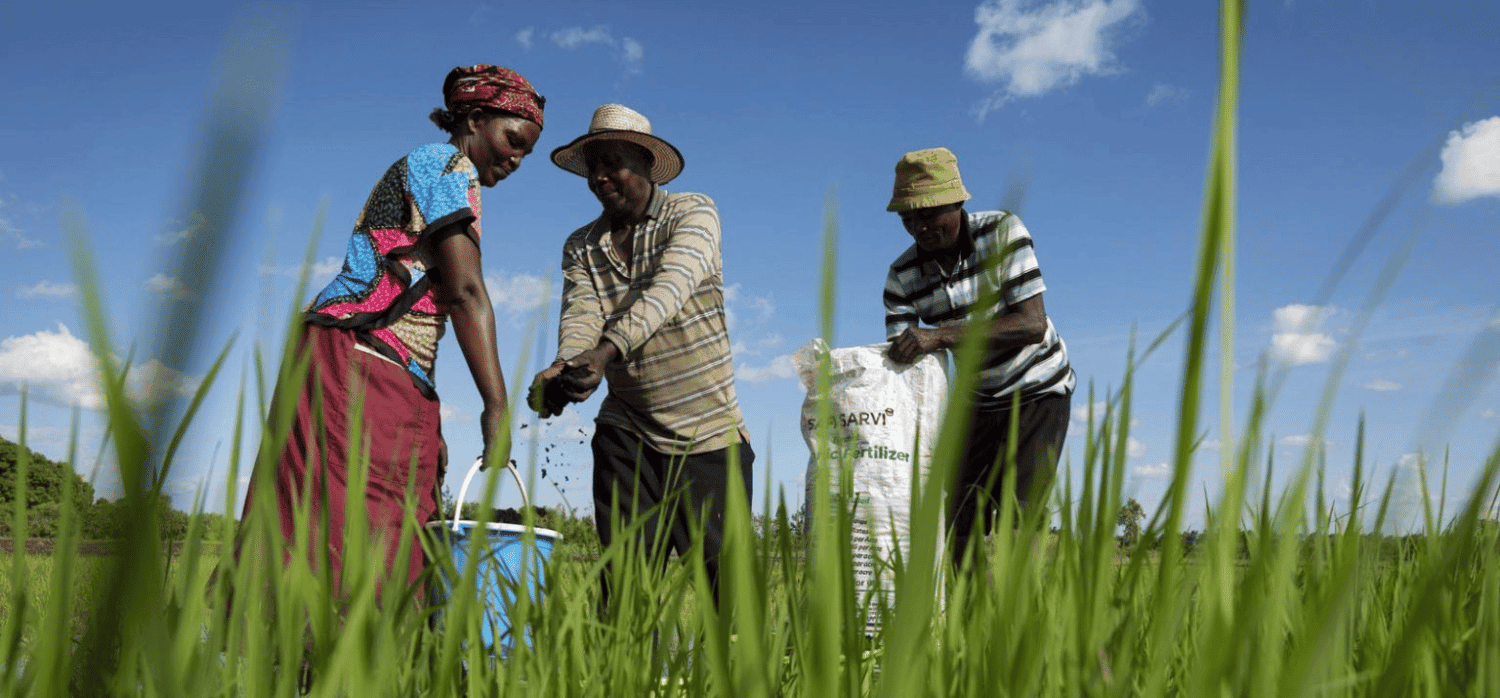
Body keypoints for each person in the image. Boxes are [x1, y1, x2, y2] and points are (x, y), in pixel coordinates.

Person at [241, 65, 545, 595]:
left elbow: (425, 312)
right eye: (513, 140)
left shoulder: (442, 173)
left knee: (400, 512)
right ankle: (322, 662)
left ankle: (352, 665)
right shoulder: (444, 163)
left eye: (526, 151)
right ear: (474, 119)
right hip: (356, 350)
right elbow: (464, 292)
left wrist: (429, 407)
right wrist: (496, 404)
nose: (517, 159)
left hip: (377, 355)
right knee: (352, 523)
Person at [528, 103, 753, 608]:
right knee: (625, 590)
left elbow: (667, 291)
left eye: (614, 163)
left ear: (649, 165)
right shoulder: (582, 244)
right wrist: (567, 368)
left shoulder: (692, 212)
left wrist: (605, 352)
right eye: (593, 166)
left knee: (729, 596)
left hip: (706, 431)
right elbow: (581, 314)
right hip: (628, 427)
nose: (601, 177)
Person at [880, 147, 1075, 567]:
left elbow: (1030, 325)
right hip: (977, 400)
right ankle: (969, 619)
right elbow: (901, 358)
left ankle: (1020, 615)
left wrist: (941, 336)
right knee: (956, 515)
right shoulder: (902, 276)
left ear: (958, 202)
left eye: (930, 214)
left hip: (1037, 388)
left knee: (1020, 512)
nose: (920, 227)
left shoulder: (1002, 232)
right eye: (908, 219)